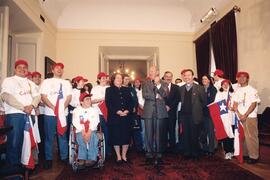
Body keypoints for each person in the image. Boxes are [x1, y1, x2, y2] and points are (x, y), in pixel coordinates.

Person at [1, 59, 40, 166]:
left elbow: (37, 96)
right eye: (20, 67)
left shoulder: (31, 83)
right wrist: (23, 108)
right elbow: (6, 96)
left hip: (30, 115)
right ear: (15, 69)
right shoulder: (9, 80)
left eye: (25, 67)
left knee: (27, 143)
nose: (22, 69)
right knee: (14, 142)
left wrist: (31, 106)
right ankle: (14, 170)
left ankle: (25, 167)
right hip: (15, 114)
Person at [40, 62, 72, 169]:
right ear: (52, 70)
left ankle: (64, 157)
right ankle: (48, 159)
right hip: (50, 113)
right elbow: (43, 96)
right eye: (57, 68)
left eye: (61, 68)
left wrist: (62, 109)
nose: (59, 70)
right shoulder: (46, 82)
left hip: (63, 113)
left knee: (62, 135)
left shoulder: (66, 83)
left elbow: (68, 97)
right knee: (49, 136)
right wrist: (54, 108)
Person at [105, 73, 134, 164]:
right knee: (116, 136)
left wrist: (127, 111)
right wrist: (117, 111)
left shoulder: (127, 89)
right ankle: (118, 156)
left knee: (126, 136)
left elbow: (131, 102)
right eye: (117, 78)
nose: (119, 79)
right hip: (114, 117)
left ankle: (124, 155)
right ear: (113, 79)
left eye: (121, 78)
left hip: (126, 117)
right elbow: (108, 103)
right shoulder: (109, 90)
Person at [178, 69, 207, 160]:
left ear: (193, 76)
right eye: (185, 75)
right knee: (185, 134)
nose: (187, 77)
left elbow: (204, 102)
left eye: (189, 75)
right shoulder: (181, 89)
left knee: (194, 135)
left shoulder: (199, 88)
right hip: (184, 115)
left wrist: (197, 110)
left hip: (195, 115)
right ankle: (187, 152)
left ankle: (195, 153)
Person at [142, 66, 168, 164]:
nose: (151, 72)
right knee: (148, 134)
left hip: (160, 111)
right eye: (150, 71)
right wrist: (157, 96)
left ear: (157, 72)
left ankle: (159, 154)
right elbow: (145, 95)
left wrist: (158, 84)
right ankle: (149, 154)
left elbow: (165, 94)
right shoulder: (145, 82)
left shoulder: (164, 82)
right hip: (148, 111)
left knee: (159, 134)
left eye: (153, 71)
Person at [233, 72, 261, 164]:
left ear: (247, 79)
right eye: (239, 77)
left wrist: (245, 115)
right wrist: (239, 114)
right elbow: (235, 103)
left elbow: (254, 104)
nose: (241, 79)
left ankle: (254, 156)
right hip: (240, 116)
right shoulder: (237, 90)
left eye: (244, 77)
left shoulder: (252, 90)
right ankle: (245, 154)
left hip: (250, 116)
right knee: (243, 136)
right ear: (237, 79)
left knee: (251, 136)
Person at [72, 92, 100, 168]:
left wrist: (89, 132)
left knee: (93, 136)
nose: (89, 101)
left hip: (92, 130)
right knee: (80, 137)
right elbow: (75, 122)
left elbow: (95, 121)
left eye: (90, 99)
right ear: (81, 102)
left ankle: (92, 158)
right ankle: (82, 158)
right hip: (81, 131)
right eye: (87, 99)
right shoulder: (76, 110)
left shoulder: (94, 110)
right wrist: (83, 131)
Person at [91, 72, 111, 157]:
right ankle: (98, 151)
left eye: (105, 78)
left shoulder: (109, 88)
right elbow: (91, 101)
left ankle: (108, 151)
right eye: (102, 78)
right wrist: (102, 99)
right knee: (99, 132)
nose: (104, 80)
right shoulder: (94, 89)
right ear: (99, 80)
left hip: (108, 113)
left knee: (108, 132)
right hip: (98, 113)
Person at [215, 79, 235, 160]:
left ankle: (232, 151)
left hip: (232, 117)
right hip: (223, 118)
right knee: (225, 135)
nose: (225, 85)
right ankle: (227, 151)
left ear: (230, 85)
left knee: (232, 134)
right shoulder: (219, 94)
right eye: (224, 84)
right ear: (221, 86)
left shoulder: (233, 94)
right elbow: (216, 106)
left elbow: (236, 105)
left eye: (227, 84)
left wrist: (233, 107)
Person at [122, 74, 143, 152]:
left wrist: (135, 107)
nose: (127, 81)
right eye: (125, 79)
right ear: (122, 80)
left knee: (136, 130)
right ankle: (125, 149)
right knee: (125, 132)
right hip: (124, 114)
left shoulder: (132, 89)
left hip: (133, 113)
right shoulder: (120, 89)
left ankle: (139, 148)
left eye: (128, 79)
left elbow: (135, 99)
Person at [163, 71, 180, 152]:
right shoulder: (160, 87)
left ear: (172, 77)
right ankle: (164, 148)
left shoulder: (176, 87)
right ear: (164, 77)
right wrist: (164, 106)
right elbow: (158, 99)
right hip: (162, 113)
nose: (168, 78)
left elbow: (177, 99)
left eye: (170, 76)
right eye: (167, 76)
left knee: (172, 130)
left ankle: (173, 148)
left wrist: (169, 106)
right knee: (163, 131)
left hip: (172, 112)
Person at [201, 75, 217, 156]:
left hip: (210, 113)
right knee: (203, 132)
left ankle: (211, 149)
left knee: (210, 132)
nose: (204, 80)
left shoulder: (213, 89)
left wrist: (201, 104)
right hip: (201, 114)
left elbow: (211, 101)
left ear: (209, 80)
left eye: (205, 79)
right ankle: (204, 148)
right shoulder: (200, 88)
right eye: (203, 79)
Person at [133, 78, 146, 150]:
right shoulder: (139, 92)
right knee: (143, 130)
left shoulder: (152, 91)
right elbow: (139, 103)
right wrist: (145, 109)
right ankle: (144, 146)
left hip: (151, 113)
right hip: (142, 113)